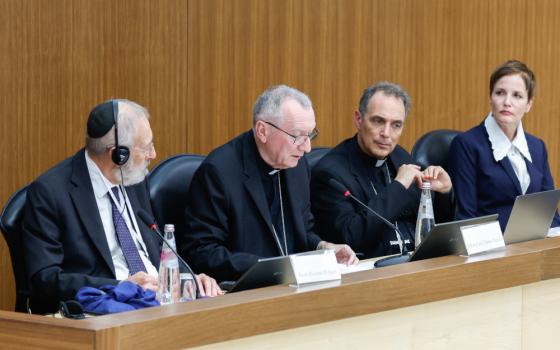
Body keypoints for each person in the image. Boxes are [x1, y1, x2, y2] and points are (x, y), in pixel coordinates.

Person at [22, 99, 220, 314]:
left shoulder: (134, 177)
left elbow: (153, 248)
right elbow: (46, 280)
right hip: (109, 311)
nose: (153, 155)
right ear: (118, 154)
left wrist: (186, 278)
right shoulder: (51, 192)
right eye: (146, 147)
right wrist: (123, 287)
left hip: (161, 303)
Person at [180, 85, 358, 282]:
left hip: (293, 285)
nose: (307, 148)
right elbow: (202, 252)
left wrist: (323, 247)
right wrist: (273, 268)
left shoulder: (297, 165)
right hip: (244, 290)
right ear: (262, 131)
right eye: (298, 136)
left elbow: (302, 230)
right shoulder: (219, 172)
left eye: (310, 135)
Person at [310, 82, 453, 258]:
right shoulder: (330, 174)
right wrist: (398, 187)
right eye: (378, 121)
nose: (386, 133)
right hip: (368, 273)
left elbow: (435, 230)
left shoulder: (401, 157)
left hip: (416, 265)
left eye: (396, 125)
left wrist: (445, 194)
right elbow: (352, 237)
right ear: (358, 119)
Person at [448, 60, 560, 230]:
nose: (507, 101)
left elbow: (550, 214)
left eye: (517, 95)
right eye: (500, 93)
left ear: (528, 104)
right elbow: (466, 218)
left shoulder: (537, 146)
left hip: (534, 246)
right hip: (490, 249)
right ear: (490, 97)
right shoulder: (466, 145)